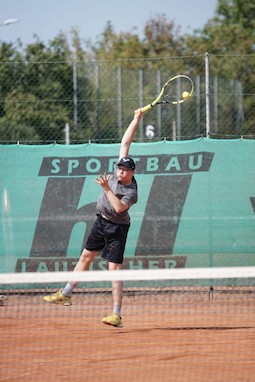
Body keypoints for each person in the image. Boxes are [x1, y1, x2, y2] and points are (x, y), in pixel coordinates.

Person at [43, 108, 144, 328]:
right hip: (101, 223)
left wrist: (107, 188)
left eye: (125, 170)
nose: (120, 172)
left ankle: (116, 314)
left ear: (132, 172)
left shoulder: (131, 192)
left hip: (118, 229)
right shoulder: (117, 173)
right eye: (119, 168)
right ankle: (66, 293)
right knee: (86, 257)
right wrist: (136, 119)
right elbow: (125, 143)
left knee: (113, 269)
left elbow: (118, 209)